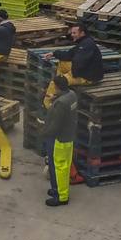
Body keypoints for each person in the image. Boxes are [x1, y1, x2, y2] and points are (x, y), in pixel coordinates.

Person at [45, 76, 78, 208]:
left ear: (57, 86)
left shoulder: (61, 104)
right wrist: (56, 98)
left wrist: (44, 133)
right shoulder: (72, 95)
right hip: (69, 135)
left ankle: (61, 196)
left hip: (59, 139)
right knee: (63, 166)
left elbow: (55, 126)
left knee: (58, 168)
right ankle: (56, 190)